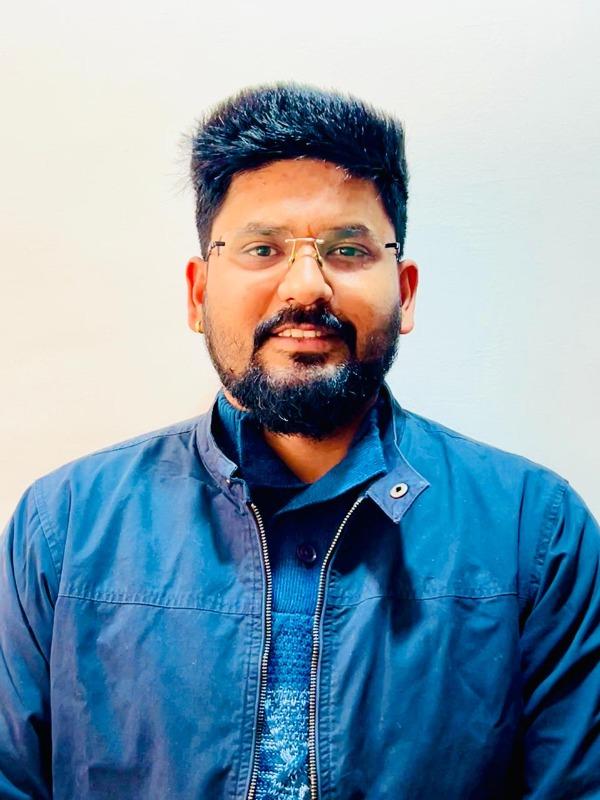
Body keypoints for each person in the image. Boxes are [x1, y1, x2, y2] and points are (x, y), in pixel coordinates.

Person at [0, 83, 598, 800]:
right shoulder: (62, 528)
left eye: (347, 249)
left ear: (405, 291)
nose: (306, 287)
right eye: (263, 248)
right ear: (198, 295)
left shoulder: (536, 532)